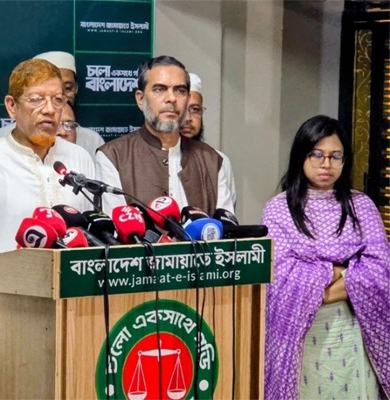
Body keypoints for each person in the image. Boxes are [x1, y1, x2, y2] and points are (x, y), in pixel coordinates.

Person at [0, 58, 95, 396]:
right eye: (37, 99)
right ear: (11, 106)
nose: (50, 109)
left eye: (58, 100)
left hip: (73, 323)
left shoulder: (79, 160)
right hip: (3, 325)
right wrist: (18, 276)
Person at [262, 115, 389, 398]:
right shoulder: (279, 209)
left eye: (335, 156)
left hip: (355, 330)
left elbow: (380, 273)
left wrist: (316, 281)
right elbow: (282, 278)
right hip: (300, 334)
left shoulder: (361, 206)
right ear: (301, 156)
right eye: (317, 154)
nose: (326, 164)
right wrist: (345, 271)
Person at [95, 55, 235, 215]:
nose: (171, 99)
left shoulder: (211, 160)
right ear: (140, 99)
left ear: (188, 99)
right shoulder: (114, 157)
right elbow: (115, 226)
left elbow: (226, 226)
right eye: (159, 89)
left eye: (180, 91)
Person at [0, 51, 105, 157]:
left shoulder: (90, 143)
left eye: (67, 88)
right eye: (38, 97)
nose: (60, 96)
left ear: (76, 89)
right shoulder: (1, 138)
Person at [179, 73, 236, 207]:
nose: (188, 118)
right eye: (182, 110)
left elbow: (228, 212)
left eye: (195, 109)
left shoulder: (218, 160)